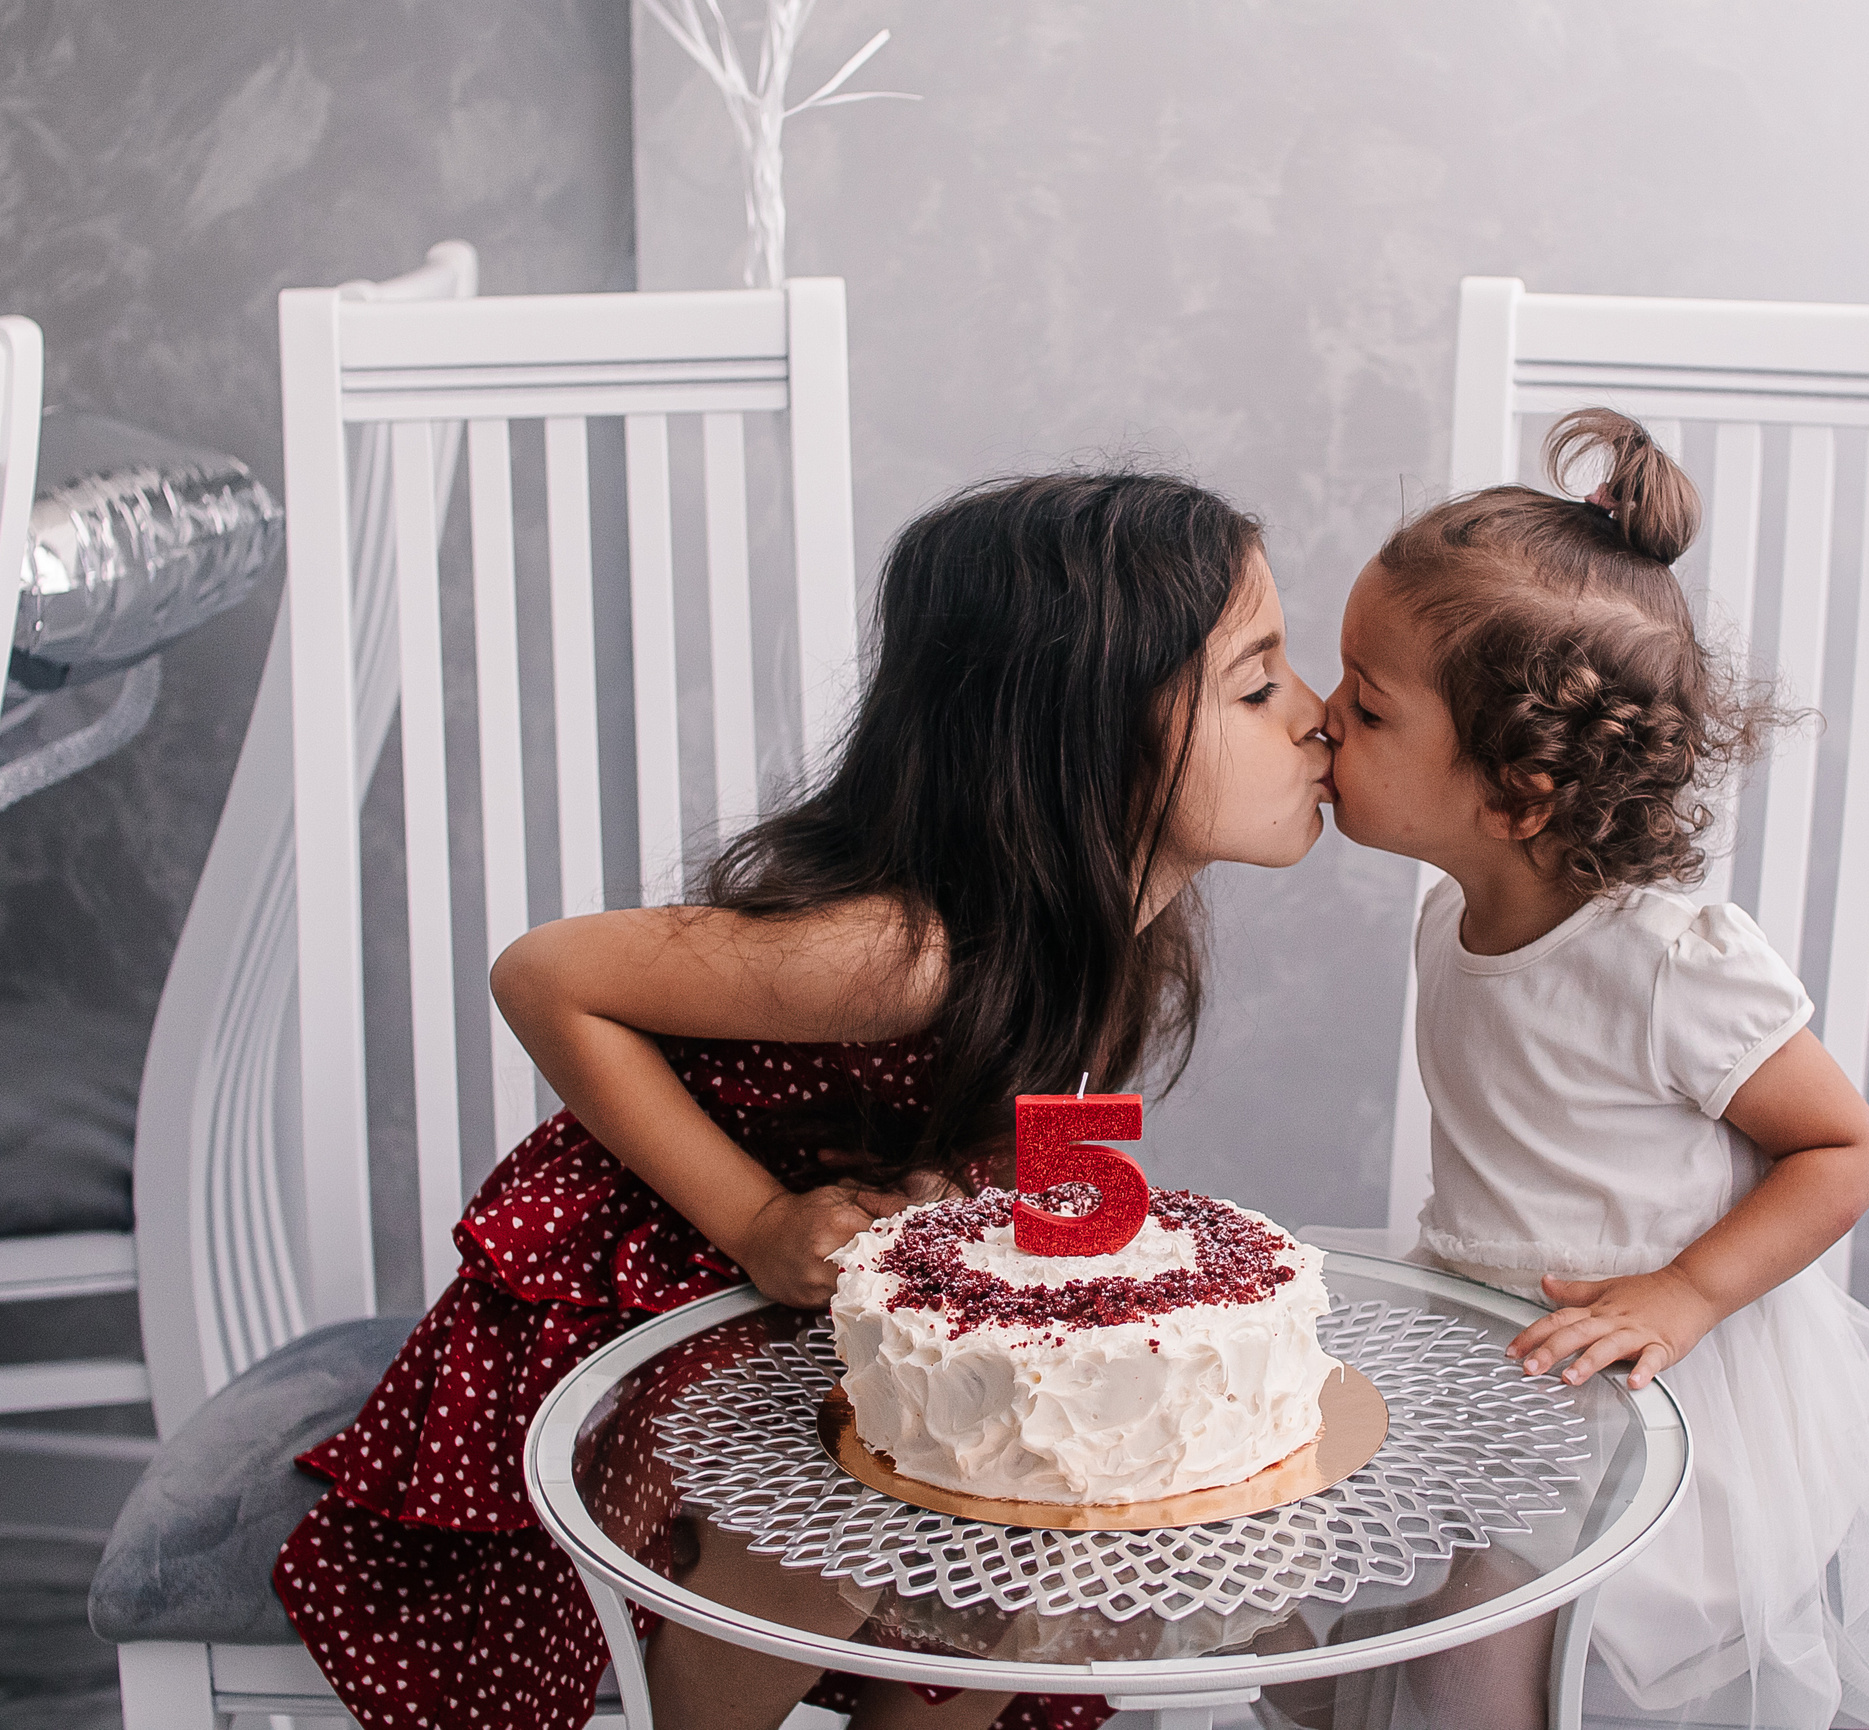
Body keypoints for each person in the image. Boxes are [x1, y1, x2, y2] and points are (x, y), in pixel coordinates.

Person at [273, 470, 1334, 1730]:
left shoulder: (1108, 929)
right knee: (841, 1509)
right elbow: (543, 974)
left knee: (1023, 1528)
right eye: (1259, 685)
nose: (1318, 715)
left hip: (847, 1287)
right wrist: (759, 1216)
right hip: (659, 1279)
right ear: (1077, 737)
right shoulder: (900, 950)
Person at [1315, 410, 1869, 1730]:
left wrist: (1684, 1291)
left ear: (1514, 789)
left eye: (1367, 700)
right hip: (1496, 1343)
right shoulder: (1446, 913)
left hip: (1658, 1378)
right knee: (1329, 1579)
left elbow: (1844, 1146)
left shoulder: (1666, 960)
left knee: (1473, 1658)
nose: (1321, 715)